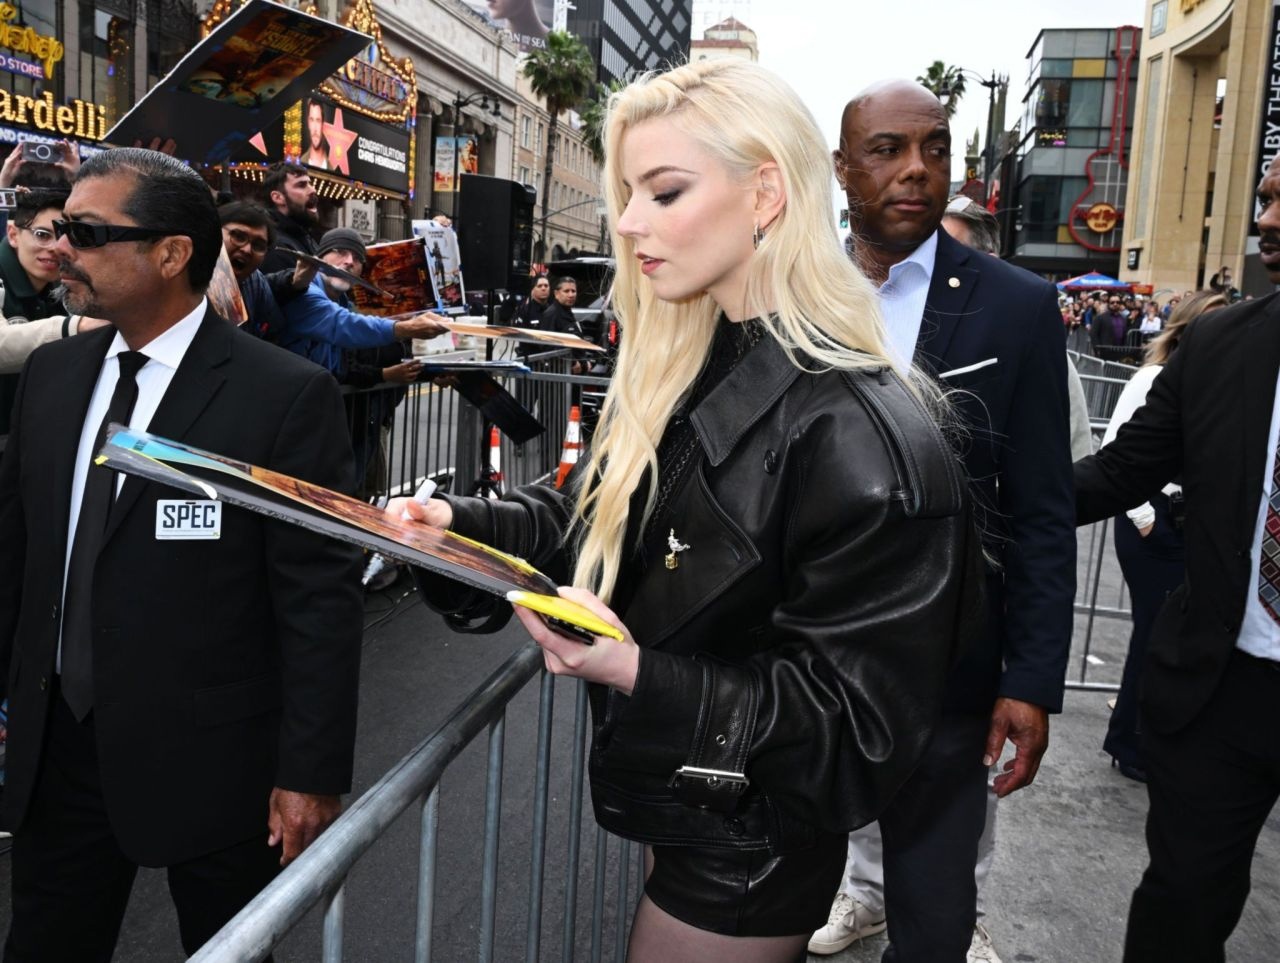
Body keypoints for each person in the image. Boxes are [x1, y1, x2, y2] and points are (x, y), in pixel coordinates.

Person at [393, 59, 983, 962]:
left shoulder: (864, 434)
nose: (629, 222)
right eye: (629, 193)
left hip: (756, 842)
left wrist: (637, 672)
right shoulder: (690, 359)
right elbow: (592, 513)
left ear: (766, 195)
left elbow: (854, 731)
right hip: (696, 805)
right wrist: (455, 530)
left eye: (664, 191)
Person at [0, 147, 364, 959]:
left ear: (171, 254)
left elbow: (318, 596)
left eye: (88, 232)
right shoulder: (53, 374)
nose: (62, 249)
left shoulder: (282, 395)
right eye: (58, 229)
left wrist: (310, 770)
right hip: (59, 749)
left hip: (217, 762)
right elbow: (16, 557)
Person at [814, 80, 1075, 963]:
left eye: (935, 149)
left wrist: (1031, 678)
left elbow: (1042, 508)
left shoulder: (1018, 306)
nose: (917, 170)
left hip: (950, 672)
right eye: (887, 150)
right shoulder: (784, 291)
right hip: (801, 663)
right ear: (842, 167)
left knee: (934, 925)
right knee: (769, 908)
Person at [1074, 154, 1280, 963]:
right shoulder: (1223, 344)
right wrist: (975, 494)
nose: (1267, 221)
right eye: (1265, 197)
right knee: (1180, 908)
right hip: (1221, 687)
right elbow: (1121, 470)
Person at [1097, 290, 1226, 785]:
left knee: (1174, 636)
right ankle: (1130, 743)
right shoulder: (1152, 377)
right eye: (1208, 326)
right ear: (1185, 330)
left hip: (1193, 524)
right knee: (1155, 634)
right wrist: (1145, 516)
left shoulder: (1220, 384)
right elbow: (1116, 450)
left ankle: (1149, 740)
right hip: (1153, 520)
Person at [278, 227, 444, 377]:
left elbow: (346, 364)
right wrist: (405, 328)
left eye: (357, 258)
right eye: (340, 252)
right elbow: (342, 324)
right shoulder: (304, 288)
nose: (350, 261)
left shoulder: (344, 302)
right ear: (320, 257)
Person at [218, 200, 316, 342]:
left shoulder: (255, 282)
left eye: (258, 246)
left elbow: (273, 331)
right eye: (239, 237)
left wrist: (294, 283)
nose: (247, 250)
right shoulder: (186, 272)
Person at [259, 162, 320, 274]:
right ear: (278, 197)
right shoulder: (276, 247)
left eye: (309, 184)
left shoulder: (304, 236)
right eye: (301, 185)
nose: (313, 190)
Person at [300, 99, 329, 170]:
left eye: (318, 120)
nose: (315, 129)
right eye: (312, 120)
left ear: (323, 124)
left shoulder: (331, 168)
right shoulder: (300, 164)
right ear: (308, 123)